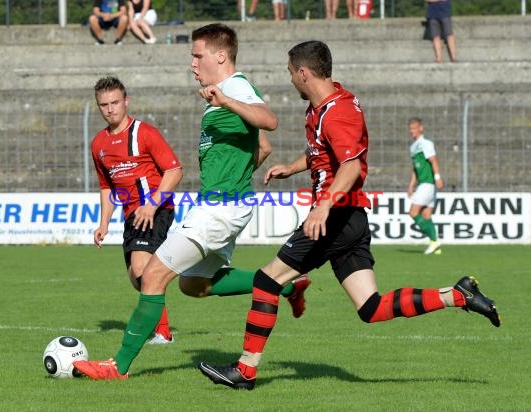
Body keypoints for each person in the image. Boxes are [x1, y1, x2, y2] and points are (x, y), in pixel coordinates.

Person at [198, 40, 501, 391]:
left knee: (267, 282)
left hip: (336, 217)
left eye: (290, 73)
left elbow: (352, 166)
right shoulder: (325, 105)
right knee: (371, 307)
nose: (290, 80)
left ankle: (245, 371)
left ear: (303, 72)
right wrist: (292, 168)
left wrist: (324, 205)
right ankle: (457, 295)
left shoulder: (336, 111)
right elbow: (323, 154)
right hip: (351, 217)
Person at [73, 23, 311, 380]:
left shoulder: (234, 86)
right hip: (224, 203)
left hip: (219, 207)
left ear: (220, 55)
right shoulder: (222, 94)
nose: (193, 64)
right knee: (194, 285)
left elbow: (270, 121)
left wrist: (226, 101)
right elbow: (262, 146)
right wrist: (238, 170)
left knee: (152, 276)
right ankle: (288, 285)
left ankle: (117, 366)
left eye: (197, 55)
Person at [91, 76, 183, 344]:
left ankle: (162, 333)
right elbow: (106, 187)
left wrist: (152, 204)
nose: (110, 109)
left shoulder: (145, 133)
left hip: (156, 210)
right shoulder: (99, 144)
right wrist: (104, 223)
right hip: (131, 216)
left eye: (115, 102)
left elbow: (174, 171)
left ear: (126, 101)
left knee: (143, 269)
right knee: (137, 277)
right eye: (104, 105)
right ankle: (180, 268)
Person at [407, 117, 444, 255]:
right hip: (423, 184)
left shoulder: (426, 144)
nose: (412, 131)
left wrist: (438, 177)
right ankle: (436, 246)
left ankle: (434, 239)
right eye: (410, 129)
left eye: (414, 128)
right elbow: (415, 168)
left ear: (421, 128)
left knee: (413, 212)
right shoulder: (413, 147)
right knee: (426, 214)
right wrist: (411, 185)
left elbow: (433, 160)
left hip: (428, 183)